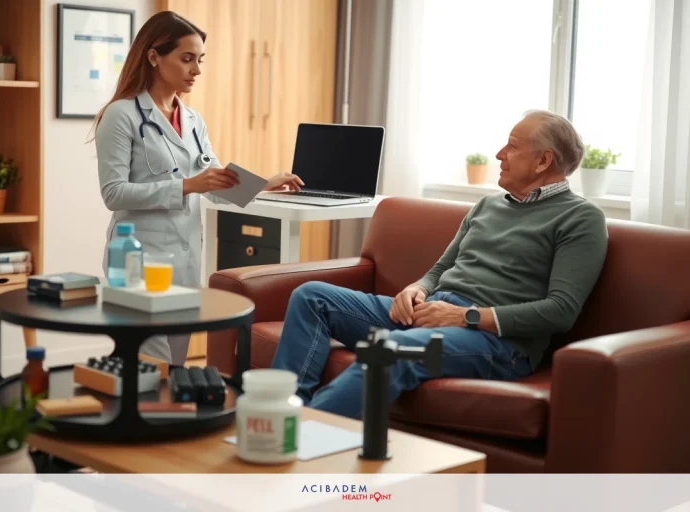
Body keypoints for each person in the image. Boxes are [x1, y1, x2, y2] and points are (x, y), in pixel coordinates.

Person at [270, 110, 609, 419]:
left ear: (543, 161)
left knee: (391, 352)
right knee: (311, 296)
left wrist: (466, 317)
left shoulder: (581, 218)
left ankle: (298, 437)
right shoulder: (488, 206)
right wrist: (416, 289)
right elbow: (439, 270)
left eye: (513, 147)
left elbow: (561, 310)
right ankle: (277, 414)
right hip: (433, 313)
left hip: (497, 343)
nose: (499, 155)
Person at [93, 12, 302, 364]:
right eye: (187, 58)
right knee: (147, 365)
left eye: (200, 59)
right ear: (154, 56)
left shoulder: (192, 120)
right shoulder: (122, 115)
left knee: (173, 365)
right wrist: (187, 185)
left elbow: (213, 184)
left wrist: (264, 184)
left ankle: (164, 419)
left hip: (185, 262)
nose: (197, 69)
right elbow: (113, 193)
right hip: (137, 262)